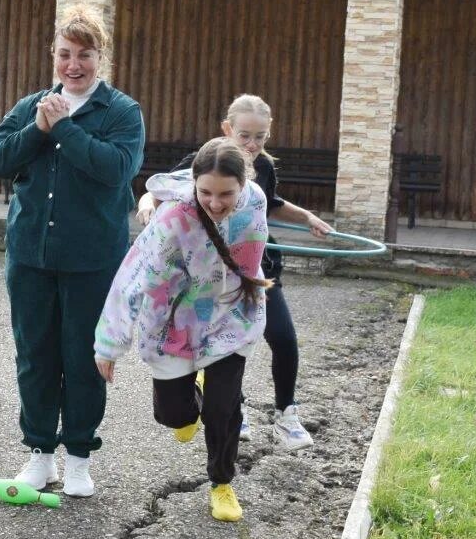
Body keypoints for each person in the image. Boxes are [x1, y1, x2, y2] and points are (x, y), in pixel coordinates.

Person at [0, 4, 145, 498]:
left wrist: (66, 129)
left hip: (92, 259)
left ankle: (78, 457)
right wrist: (37, 128)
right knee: (35, 355)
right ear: (53, 56)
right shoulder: (34, 104)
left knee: (83, 359)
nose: (73, 65)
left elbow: (116, 169)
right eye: (64, 54)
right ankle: (39, 455)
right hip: (31, 254)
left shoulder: (121, 112)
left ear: (101, 57)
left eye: (84, 55)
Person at [135, 95, 330, 449]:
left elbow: (270, 205)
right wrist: (147, 205)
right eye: (245, 136)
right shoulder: (205, 162)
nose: (253, 145)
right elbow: (160, 191)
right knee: (220, 347)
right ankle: (226, 408)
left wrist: (307, 217)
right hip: (205, 278)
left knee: (283, 337)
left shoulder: (264, 167)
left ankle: (286, 414)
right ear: (228, 130)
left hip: (256, 271)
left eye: (261, 137)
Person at [95, 137, 271, 522]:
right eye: (205, 192)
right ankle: (192, 402)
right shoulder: (174, 218)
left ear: (243, 184)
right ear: (193, 183)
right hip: (175, 321)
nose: (216, 203)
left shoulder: (255, 200)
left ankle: (222, 484)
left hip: (232, 317)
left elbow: (247, 257)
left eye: (226, 193)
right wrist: (109, 344)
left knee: (224, 408)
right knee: (173, 415)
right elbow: (135, 277)